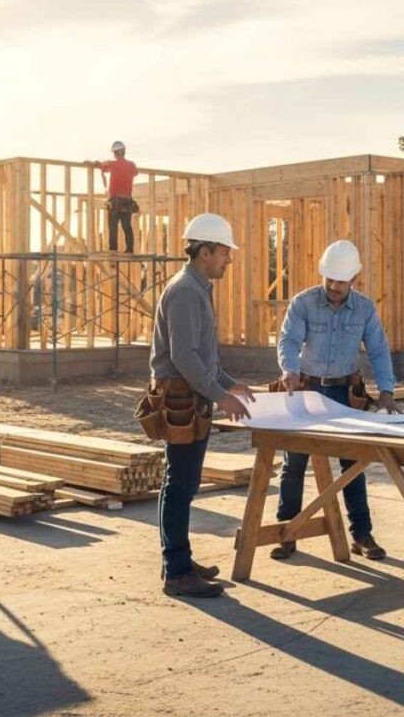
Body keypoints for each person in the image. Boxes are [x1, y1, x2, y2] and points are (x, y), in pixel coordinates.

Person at [272, 239, 401, 561]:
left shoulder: (365, 308)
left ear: (353, 279)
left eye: (341, 282)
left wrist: (386, 391)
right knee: (294, 463)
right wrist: (289, 370)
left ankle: (362, 534)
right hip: (306, 389)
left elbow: (378, 350)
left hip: (345, 393)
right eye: (329, 279)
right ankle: (287, 533)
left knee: (352, 464)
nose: (333, 287)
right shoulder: (304, 303)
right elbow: (288, 340)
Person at [150, 213, 255, 598]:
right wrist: (220, 395)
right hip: (181, 397)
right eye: (224, 252)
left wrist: (228, 383)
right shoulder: (185, 291)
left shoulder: (197, 288)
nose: (229, 259)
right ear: (205, 252)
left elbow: (202, 355)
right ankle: (177, 571)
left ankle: (179, 561)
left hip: (191, 395)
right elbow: (184, 356)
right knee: (180, 484)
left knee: (184, 482)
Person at [91, 141, 138, 253]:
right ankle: (130, 248)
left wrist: (96, 163)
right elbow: (135, 172)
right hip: (127, 201)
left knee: (113, 226)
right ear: (124, 152)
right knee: (126, 226)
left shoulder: (112, 164)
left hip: (115, 200)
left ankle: (113, 249)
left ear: (115, 153)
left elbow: (102, 166)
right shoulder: (132, 165)